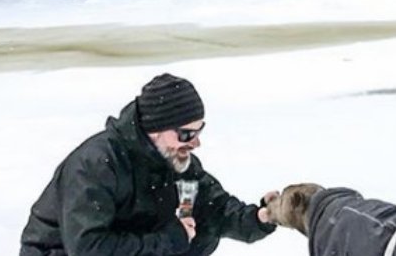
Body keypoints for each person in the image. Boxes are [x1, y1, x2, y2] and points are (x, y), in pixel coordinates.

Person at [20, 73, 278, 256]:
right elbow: (88, 249)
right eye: (186, 134)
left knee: (200, 233)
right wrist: (168, 240)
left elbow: (215, 208)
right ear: (155, 129)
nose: (196, 143)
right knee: (179, 237)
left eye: (199, 131)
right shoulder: (96, 166)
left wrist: (260, 217)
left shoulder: (178, 163)